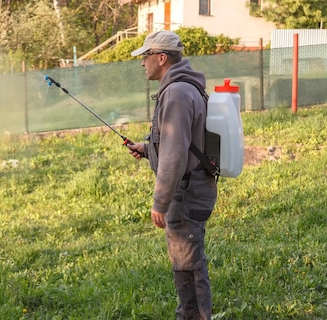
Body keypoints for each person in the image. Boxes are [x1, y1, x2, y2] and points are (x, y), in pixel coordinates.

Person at [126, 30, 218, 320]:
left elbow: (176, 155)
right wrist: (147, 148)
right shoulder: (182, 88)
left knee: (188, 264)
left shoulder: (177, 94)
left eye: (145, 56)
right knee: (187, 260)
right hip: (193, 187)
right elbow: (179, 142)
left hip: (186, 193)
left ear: (161, 58)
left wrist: (160, 202)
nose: (142, 63)